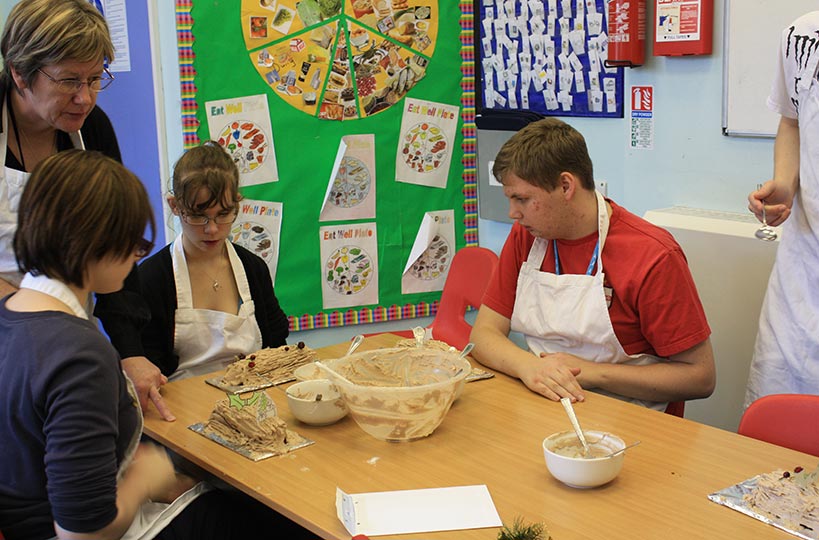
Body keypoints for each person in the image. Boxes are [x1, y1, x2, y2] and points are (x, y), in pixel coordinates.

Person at [0, 150, 287, 540]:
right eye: (133, 241)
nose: (137, 255)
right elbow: (81, 533)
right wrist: (145, 478)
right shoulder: (80, 355)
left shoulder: (12, 313)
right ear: (96, 242)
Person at [0, 0, 172, 421]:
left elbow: (111, 249)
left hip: (57, 326)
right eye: (69, 81)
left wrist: (129, 352)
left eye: (96, 79)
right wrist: (32, 320)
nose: (86, 98)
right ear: (20, 73)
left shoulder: (92, 130)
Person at [469, 118, 716, 410]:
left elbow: (700, 377)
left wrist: (591, 373)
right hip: (549, 404)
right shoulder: (528, 237)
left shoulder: (653, 256)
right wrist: (529, 367)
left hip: (631, 417)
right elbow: (483, 334)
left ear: (565, 186)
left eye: (522, 199)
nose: (513, 213)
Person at [137, 142, 289, 381]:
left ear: (237, 202)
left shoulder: (253, 269)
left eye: (224, 214)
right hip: (182, 405)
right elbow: (148, 366)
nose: (213, 229)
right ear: (175, 206)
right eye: (198, 216)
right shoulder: (152, 278)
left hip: (251, 397)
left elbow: (278, 347)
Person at [745, 13, 819, 406]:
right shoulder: (803, 36)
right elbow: (791, 122)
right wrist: (785, 185)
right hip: (804, 272)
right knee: (781, 434)